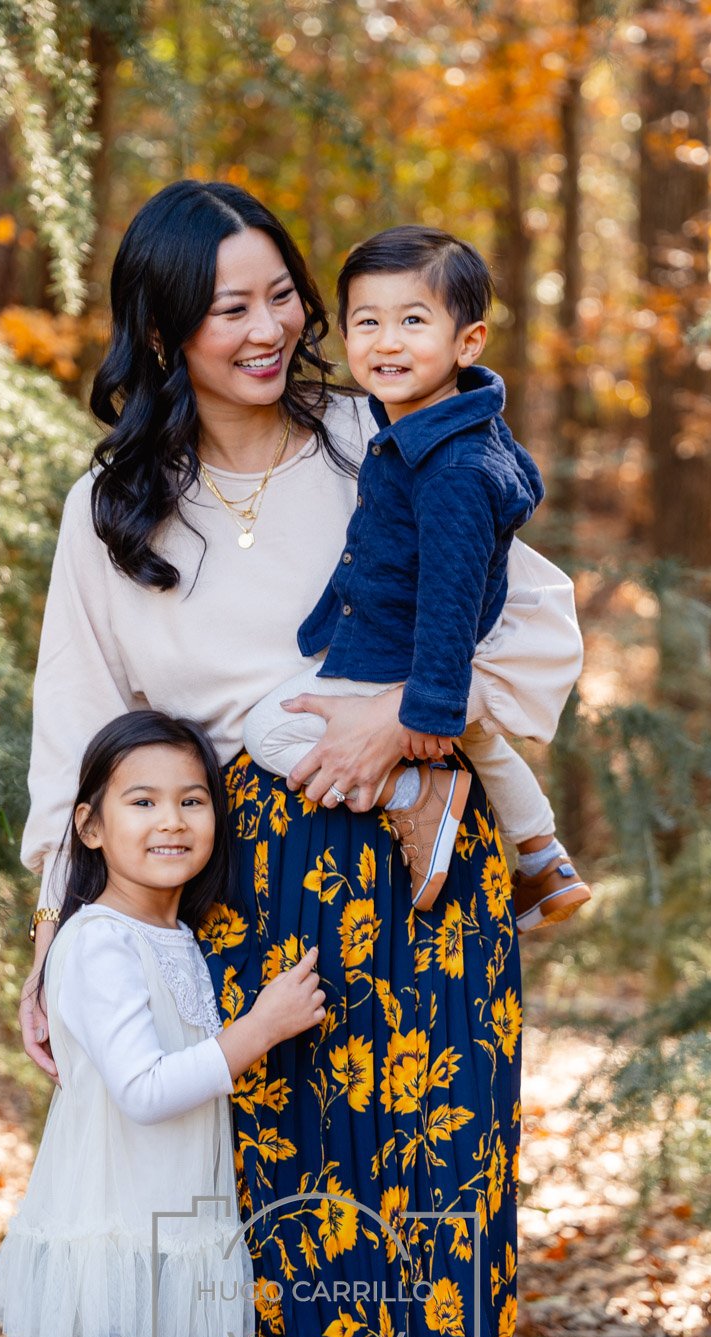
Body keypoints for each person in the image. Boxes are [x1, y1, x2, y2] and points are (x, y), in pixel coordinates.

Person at [20, 179, 526, 1337]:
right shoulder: (116, 504)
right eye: (224, 305)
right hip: (237, 895)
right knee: (291, 1227)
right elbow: (79, 722)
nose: (264, 326)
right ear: (164, 326)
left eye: (280, 295)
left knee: (442, 1200)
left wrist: (403, 730)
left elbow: (527, 621)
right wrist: (50, 937)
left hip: (417, 864)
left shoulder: (389, 431)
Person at [0, 709, 327, 1337]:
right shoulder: (97, 940)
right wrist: (261, 1028)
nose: (171, 820)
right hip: (111, 1232)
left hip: (184, 1237)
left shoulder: (185, 938)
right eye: (141, 801)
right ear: (91, 826)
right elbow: (143, 1090)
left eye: (192, 800)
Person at [243, 225, 590, 924]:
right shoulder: (431, 425)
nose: (387, 342)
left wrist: (420, 714)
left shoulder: (452, 468)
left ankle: (414, 795)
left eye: (413, 321)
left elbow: (449, 599)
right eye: (366, 322)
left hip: (395, 656)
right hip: (408, 652)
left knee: (267, 732)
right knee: (482, 741)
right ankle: (544, 856)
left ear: (468, 343)